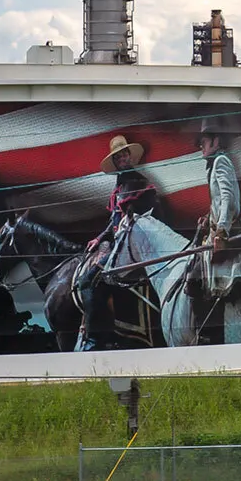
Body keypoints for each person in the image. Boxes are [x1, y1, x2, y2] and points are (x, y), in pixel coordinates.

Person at [73, 133, 158, 351]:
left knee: (87, 280)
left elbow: (143, 220)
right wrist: (98, 239)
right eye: (117, 157)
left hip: (132, 245)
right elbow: (113, 223)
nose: (121, 159)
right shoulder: (118, 189)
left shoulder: (140, 183)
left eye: (124, 155)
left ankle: (95, 338)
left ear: (130, 156)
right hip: (118, 241)